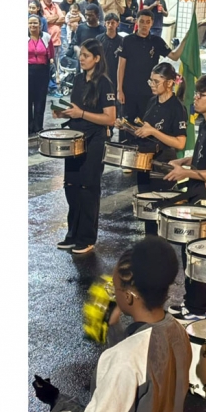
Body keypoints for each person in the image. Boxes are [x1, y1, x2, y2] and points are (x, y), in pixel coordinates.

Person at [33, 235, 191, 412]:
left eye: (115, 288)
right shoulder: (176, 331)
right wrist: (114, 327)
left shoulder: (125, 358)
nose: (113, 294)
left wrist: (56, 401)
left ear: (128, 297)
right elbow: (144, 371)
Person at [164, 73, 206, 322]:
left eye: (200, 95)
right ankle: (190, 302)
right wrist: (184, 161)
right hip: (196, 194)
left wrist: (187, 172)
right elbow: (204, 157)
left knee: (197, 253)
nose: (195, 98)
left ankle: (196, 309)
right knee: (187, 252)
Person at [51, 39, 116, 254]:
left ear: (97, 59)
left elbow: (110, 119)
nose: (81, 59)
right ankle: (73, 234)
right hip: (75, 139)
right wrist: (62, 112)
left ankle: (87, 237)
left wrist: (82, 114)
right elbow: (74, 108)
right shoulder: (78, 79)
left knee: (88, 188)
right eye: (81, 55)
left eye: (86, 55)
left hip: (95, 140)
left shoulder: (105, 83)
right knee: (71, 186)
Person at [116, 62, 187, 235]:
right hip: (144, 163)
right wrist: (127, 127)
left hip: (163, 167)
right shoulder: (152, 102)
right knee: (147, 212)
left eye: (156, 82)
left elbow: (180, 143)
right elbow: (146, 132)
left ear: (170, 83)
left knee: (160, 216)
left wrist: (154, 131)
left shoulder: (178, 108)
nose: (152, 85)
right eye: (151, 81)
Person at [116, 10, 187, 144]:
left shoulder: (156, 41)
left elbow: (174, 56)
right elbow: (121, 66)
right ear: (137, 21)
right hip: (129, 91)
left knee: (145, 126)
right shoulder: (127, 40)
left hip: (150, 92)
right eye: (141, 21)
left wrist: (185, 39)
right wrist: (119, 89)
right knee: (126, 125)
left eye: (148, 22)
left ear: (152, 23)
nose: (144, 25)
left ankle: (144, 154)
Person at [28, 16, 54, 137]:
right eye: (30, 23)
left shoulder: (47, 37)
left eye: (35, 23)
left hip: (43, 71)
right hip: (28, 70)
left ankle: (38, 126)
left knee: (40, 99)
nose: (32, 25)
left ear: (40, 25)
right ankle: (28, 127)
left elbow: (52, 55)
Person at [41, 0, 66, 96]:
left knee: (54, 66)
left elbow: (63, 19)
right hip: (43, 42)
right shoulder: (40, 6)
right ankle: (43, 88)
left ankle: (52, 89)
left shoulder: (56, 6)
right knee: (44, 66)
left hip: (56, 42)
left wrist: (51, 19)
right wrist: (55, 18)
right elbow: (43, 20)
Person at [96, 13, 123, 95]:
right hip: (102, 72)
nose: (110, 25)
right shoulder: (99, 39)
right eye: (108, 23)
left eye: (113, 23)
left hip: (116, 73)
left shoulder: (122, 41)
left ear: (117, 24)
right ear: (104, 23)